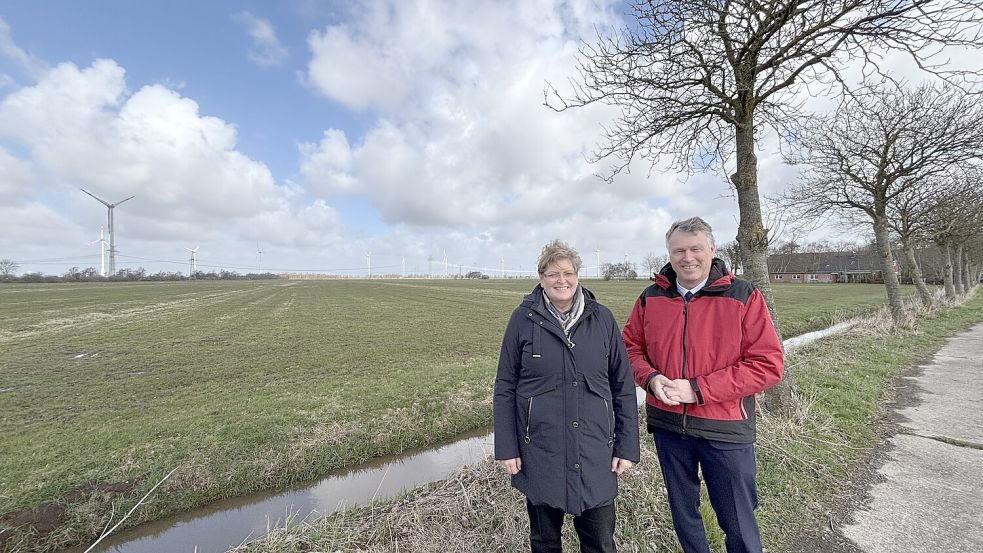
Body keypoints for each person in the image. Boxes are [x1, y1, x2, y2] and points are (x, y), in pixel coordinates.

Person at [622, 217, 784, 553]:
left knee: (738, 521)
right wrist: (651, 380)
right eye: (679, 250)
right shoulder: (650, 297)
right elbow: (629, 350)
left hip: (724, 428)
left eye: (696, 248)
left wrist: (698, 389)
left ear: (712, 249)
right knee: (685, 518)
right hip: (668, 426)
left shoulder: (743, 295)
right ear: (669, 253)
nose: (687, 257)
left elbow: (768, 365)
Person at [495, 239, 640, 553]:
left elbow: (623, 387)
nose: (561, 280)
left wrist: (627, 446)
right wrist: (507, 447)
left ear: (577, 275)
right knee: (544, 542)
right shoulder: (522, 320)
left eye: (567, 272)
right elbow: (505, 386)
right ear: (541, 279)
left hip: (595, 451)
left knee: (600, 542)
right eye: (551, 274)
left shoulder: (602, 319)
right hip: (540, 452)